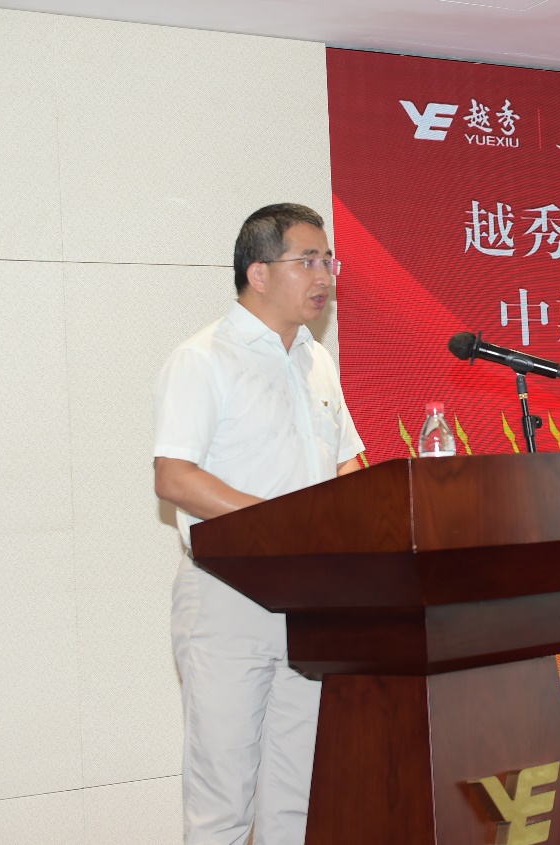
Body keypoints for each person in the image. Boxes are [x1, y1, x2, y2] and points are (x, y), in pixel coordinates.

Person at [153, 203, 365, 845]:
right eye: (308, 260)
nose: (324, 275)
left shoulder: (316, 360)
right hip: (229, 596)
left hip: (310, 601)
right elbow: (175, 477)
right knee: (223, 802)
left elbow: (348, 465)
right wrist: (286, 523)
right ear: (259, 272)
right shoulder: (203, 358)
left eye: (329, 260)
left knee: (297, 802)